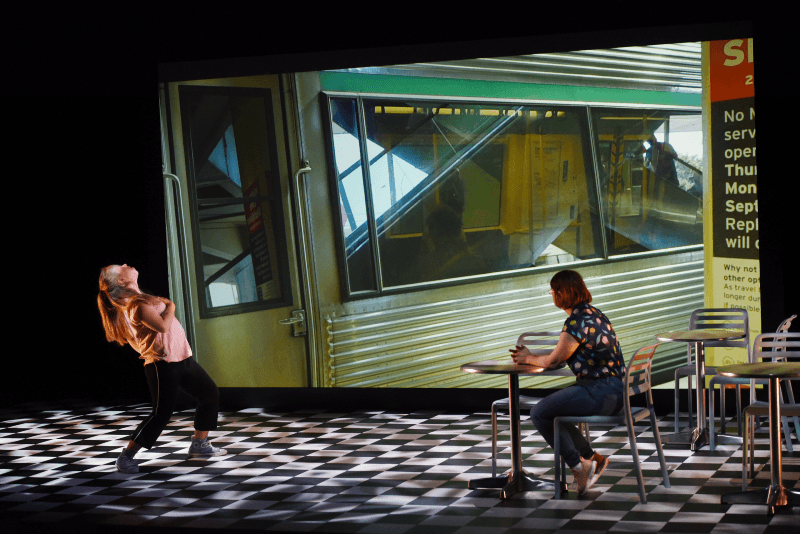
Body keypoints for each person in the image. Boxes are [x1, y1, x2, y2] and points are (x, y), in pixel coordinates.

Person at [97, 264, 227, 474]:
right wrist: (171, 307)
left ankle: (199, 444)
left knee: (209, 394)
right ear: (121, 281)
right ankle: (126, 457)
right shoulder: (134, 305)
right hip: (162, 365)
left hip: (182, 358)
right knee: (161, 414)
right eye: (120, 267)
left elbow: (134, 338)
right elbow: (163, 326)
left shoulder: (138, 300)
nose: (126, 265)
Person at [509, 270, 625, 495]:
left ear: (561, 293)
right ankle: (593, 459)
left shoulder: (576, 322)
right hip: (615, 391)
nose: (551, 294)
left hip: (600, 393)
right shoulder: (595, 313)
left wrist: (527, 358)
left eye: (552, 291)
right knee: (554, 412)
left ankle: (577, 466)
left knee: (539, 413)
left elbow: (554, 361)